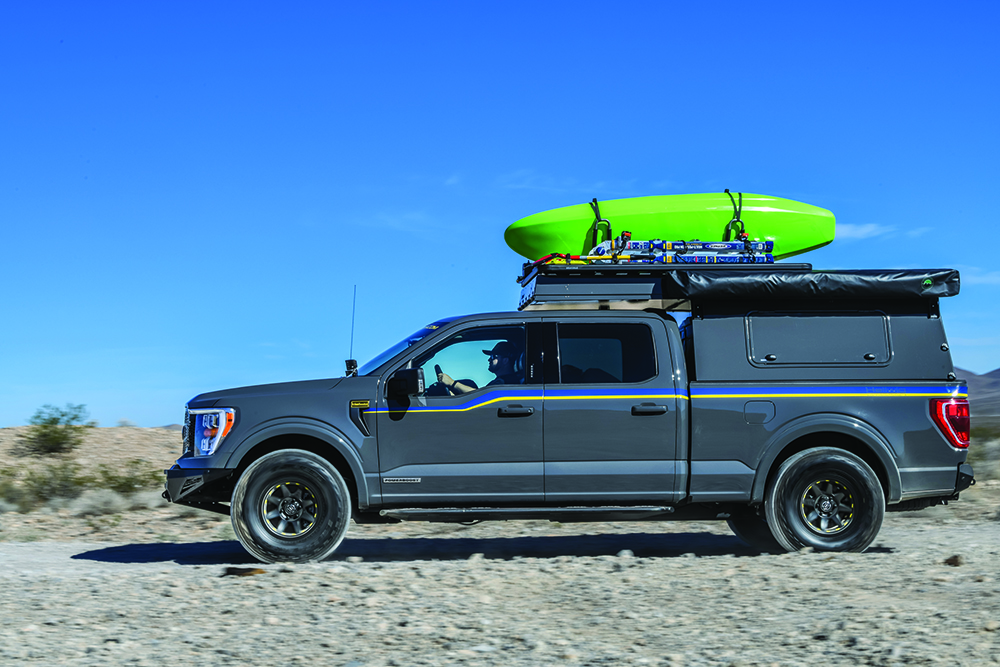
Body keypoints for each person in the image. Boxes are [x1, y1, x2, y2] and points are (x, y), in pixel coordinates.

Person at [436, 341, 521, 394]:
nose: (489, 360)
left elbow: (479, 397)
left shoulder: (505, 383)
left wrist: (452, 383)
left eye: (493, 356)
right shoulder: (501, 381)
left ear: (505, 360)